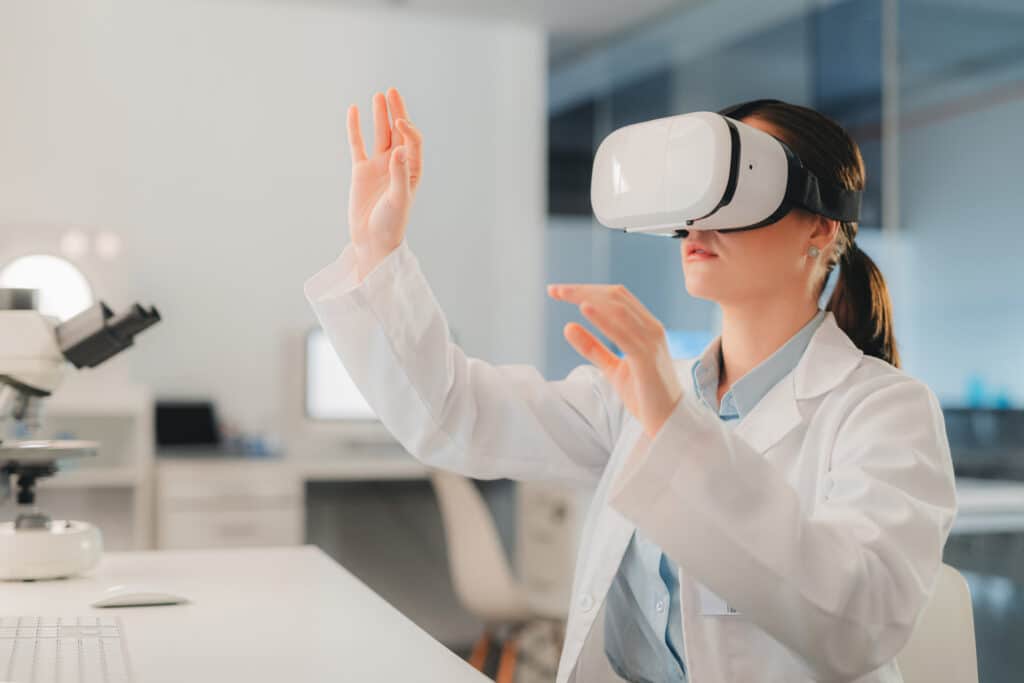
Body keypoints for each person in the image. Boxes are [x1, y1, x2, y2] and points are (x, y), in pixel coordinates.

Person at [304, 88, 957, 683]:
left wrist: (676, 424)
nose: (702, 217)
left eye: (741, 184)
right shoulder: (640, 390)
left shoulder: (886, 411)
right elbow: (455, 413)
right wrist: (378, 248)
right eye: (700, 189)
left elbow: (860, 621)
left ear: (821, 226)